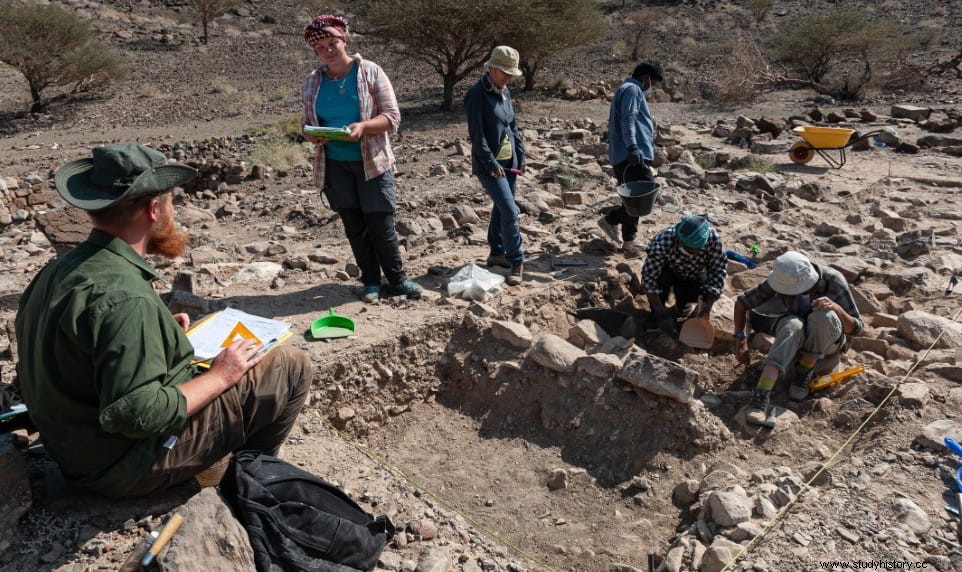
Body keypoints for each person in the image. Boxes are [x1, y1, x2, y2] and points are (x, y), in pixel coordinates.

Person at [15, 144, 314, 498]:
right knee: (289, 364)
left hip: (77, 449)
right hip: (121, 466)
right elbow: (136, 414)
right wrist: (222, 376)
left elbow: (85, 349)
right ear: (153, 210)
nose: (173, 212)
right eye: (171, 203)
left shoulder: (59, 269)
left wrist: (158, 334)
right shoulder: (127, 297)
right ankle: (247, 478)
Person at [300, 14, 421, 303]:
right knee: (354, 224)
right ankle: (370, 281)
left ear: (344, 41)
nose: (328, 51)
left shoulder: (370, 72)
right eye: (321, 48)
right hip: (335, 164)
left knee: (380, 222)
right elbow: (306, 123)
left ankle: (397, 279)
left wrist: (364, 127)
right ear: (315, 52)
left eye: (332, 43)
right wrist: (312, 135)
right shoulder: (312, 82)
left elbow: (392, 117)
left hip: (373, 160)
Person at [733, 251, 863, 426]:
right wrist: (741, 338)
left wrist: (837, 309)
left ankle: (804, 371)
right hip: (797, 338)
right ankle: (761, 394)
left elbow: (857, 328)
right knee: (792, 325)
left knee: (823, 316)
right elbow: (742, 303)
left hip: (827, 341)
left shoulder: (833, 281)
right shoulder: (783, 278)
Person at [464, 45, 526, 286]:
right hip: (489, 163)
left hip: (509, 161)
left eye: (511, 73)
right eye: (504, 72)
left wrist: (521, 152)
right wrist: (490, 163)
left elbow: (512, 125)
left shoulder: (505, 91)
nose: (508, 78)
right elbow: (477, 136)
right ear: (491, 68)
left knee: (502, 208)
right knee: (510, 211)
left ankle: (497, 252)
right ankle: (516, 260)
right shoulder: (476, 94)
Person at [598, 62, 663, 257]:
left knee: (634, 198)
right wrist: (633, 146)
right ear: (646, 78)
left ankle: (629, 243)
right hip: (632, 155)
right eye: (654, 83)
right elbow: (628, 118)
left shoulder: (625, 89)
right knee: (643, 199)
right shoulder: (633, 89)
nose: (652, 88)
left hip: (625, 154)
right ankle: (610, 220)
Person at [641, 214, 727, 335]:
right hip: (669, 272)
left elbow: (718, 271)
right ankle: (656, 314)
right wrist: (661, 314)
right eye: (688, 248)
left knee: (697, 293)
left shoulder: (712, 239)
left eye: (695, 250)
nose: (692, 252)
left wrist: (707, 307)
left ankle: (682, 304)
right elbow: (649, 278)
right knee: (661, 280)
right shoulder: (664, 241)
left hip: (694, 273)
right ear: (679, 239)